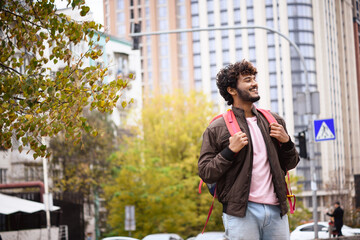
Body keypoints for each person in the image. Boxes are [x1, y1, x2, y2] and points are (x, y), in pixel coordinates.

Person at [198, 60, 300, 240]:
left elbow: (291, 163)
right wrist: (229, 151)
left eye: (254, 78)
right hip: (241, 214)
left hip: (277, 211)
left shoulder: (274, 121)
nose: (254, 83)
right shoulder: (217, 128)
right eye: (247, 80)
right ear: (232, 90)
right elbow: (206, 172)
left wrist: (287, 142)